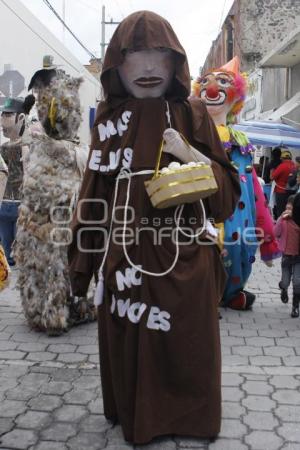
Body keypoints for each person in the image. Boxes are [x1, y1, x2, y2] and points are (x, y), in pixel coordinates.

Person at [68, 10, 240, 445]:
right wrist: (81, 267)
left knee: (187, 347)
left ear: (175, 61)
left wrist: (187, 154)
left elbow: (224, 199)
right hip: (126, 260)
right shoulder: (109, 120)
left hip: (187, 261)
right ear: (116, 64)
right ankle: (137, 416)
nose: (146, 67)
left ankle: (190, 418)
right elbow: (93, 196)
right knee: (132, 346)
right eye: (133, 54)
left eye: (158, 54)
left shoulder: (195, 115)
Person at [13, 59, 95, 335]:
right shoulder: (77, 153)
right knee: (59, 263)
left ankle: (43, 312)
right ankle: (59, 312)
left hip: (36, 229)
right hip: (58, 228)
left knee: (43, 265)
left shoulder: (39, 151)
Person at [192, 56, 280, 310]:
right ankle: (207, 293)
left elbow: (256, 193)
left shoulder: (241, 141)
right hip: (206, 211)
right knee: (206, 247)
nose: (213, 88)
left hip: (241, 219)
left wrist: (268, 241)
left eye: (222, 82)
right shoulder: (195, 134)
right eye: (206, 82)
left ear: (235, 97)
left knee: (240, 249)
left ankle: (232, 293)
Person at [0, 96, 35, 266]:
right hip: (4, 205)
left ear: (20, 118)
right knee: (7, 253)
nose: (2, 120)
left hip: (21, 205)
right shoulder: (3, 147)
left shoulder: (29, 146)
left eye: (7, 115)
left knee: (18, 253)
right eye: (2, 115)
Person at [275, 193, 300, 318]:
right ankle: (283, 289)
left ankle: (295, 306)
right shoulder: (283, 221)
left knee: (297, 282)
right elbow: (276, 232)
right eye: (287, 208)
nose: (288, 211)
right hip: (286, 256)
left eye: (291, 209)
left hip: (298, 257)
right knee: (285, 281)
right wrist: (280, 219)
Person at [270, 149, 295, 217]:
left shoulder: (282, 166)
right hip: (291, 192)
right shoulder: (294, 166)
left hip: (281, 192)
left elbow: (272, 177)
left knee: (280, 210)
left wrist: (272, 170)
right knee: (290, 210)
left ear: (282, 158)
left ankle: (281, 225)